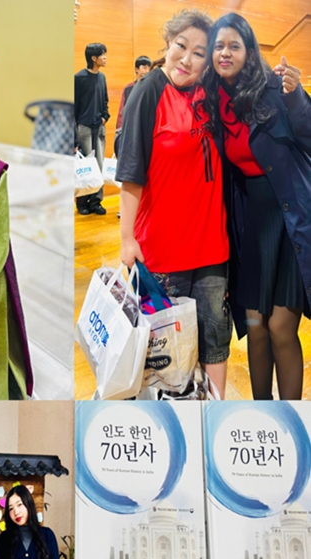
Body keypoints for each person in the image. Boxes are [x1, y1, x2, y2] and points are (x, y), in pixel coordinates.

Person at [116, 9, 232, 398]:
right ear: (167, 44)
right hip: (163, 251)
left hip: (212, 245)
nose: (187, 58)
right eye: (181, 46)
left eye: (199, 53)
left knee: (215, 336)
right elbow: (131, 173)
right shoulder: (148, 91)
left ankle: (214, 416)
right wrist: (126, 239)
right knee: (166, 353)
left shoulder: (209, 94)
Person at [202, 13, 311, 400]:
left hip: (290, 219)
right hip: (249, 226)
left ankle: (291, 419)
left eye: (234, 45)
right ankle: (263, 414)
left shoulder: (275, 88)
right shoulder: (214, 99)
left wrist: (296, 95)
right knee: (255, 326)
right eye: (219, 46)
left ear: (249, 52)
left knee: (281, 327)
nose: (225, 53)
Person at [75, 42, 110, 215]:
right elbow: (73, 108)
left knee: (99, 165)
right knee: (86, 166)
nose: (105, 58)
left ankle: (96, 202)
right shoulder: (79, 78)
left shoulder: (102, 77)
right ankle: (82, 203)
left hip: (99, 127)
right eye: (102, 55)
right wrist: (74, 137)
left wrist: (105, 117)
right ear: (93, 58)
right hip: (84, 128)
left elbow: (105, 101)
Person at [114, 56, 152, 155]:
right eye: (144, 67)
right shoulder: (128, 88)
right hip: (130, 130)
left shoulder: (152, 88)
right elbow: (122, 110)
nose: (147, 71)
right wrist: (119, 130)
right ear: (136, 69)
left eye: (149, 68)